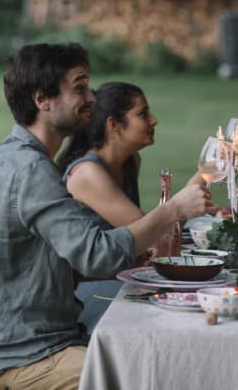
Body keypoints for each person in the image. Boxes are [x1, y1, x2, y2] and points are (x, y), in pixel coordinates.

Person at [0, 43, 215, 389]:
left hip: (31, 343)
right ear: (42, 99)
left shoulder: (20, 158)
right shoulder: (28, 169)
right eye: (79, 87)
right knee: (147, 376)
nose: (91, 97)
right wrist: (175, 209)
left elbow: (73, 257)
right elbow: (96, 255)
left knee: (156, 356)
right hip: (13, 359)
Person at [57, 81, 185, 336]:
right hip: (95, 289)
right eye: (142, 114)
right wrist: (200, 180)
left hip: (127, 277)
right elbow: (154, 237)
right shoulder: (88, 173)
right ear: (113, 125)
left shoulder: (129, 162)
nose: (154, 120)